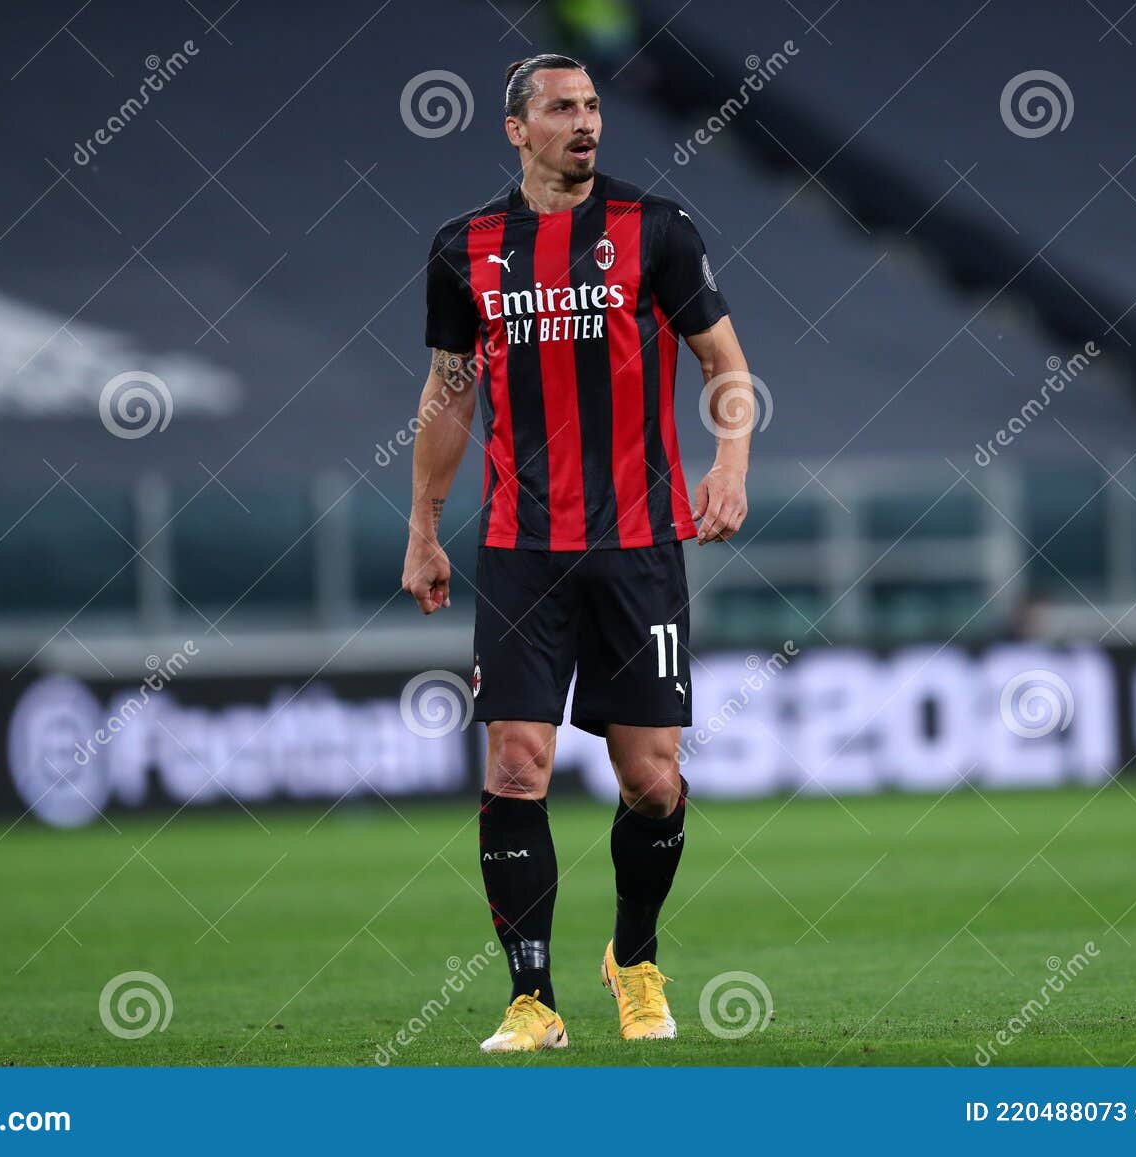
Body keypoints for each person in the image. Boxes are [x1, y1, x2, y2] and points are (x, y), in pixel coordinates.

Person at [401, 53, 755, 1052]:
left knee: (651, 779)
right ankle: (531, 999)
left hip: (639, 544)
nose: (583, 121)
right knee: (516, 762)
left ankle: (632, 955)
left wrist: (729, 463)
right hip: (520, 548)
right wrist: (425, 528)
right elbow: (447, 395)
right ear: (517, 128)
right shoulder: (463, 248)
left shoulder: (658, 230)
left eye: (592, 105)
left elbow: (723, 363)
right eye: (561, 109)